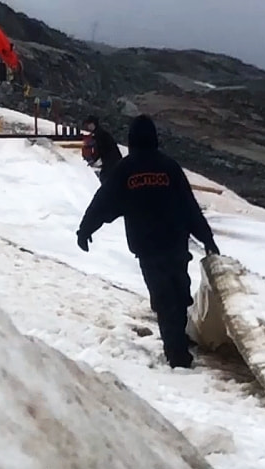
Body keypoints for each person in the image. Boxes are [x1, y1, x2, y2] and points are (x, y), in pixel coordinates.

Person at [75, 114, 220, 369]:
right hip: (175, 244)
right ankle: (178, 351)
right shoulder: (169, 167)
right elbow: (190, 206)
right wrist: (206, 238)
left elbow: (104, 202)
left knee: (164, 298)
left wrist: (85, 229)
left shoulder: (126, 170)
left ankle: (177, 351)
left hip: (148, 249)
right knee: (178, 293)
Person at [82, 115, 123, 184]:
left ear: (93, 124)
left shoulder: (99, 135)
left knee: (106, 178)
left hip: (111, 161)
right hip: (112, 161)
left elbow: (100, 149)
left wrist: (94, 160)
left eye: (89, 124)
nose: (88, 127)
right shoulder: (100, 133)